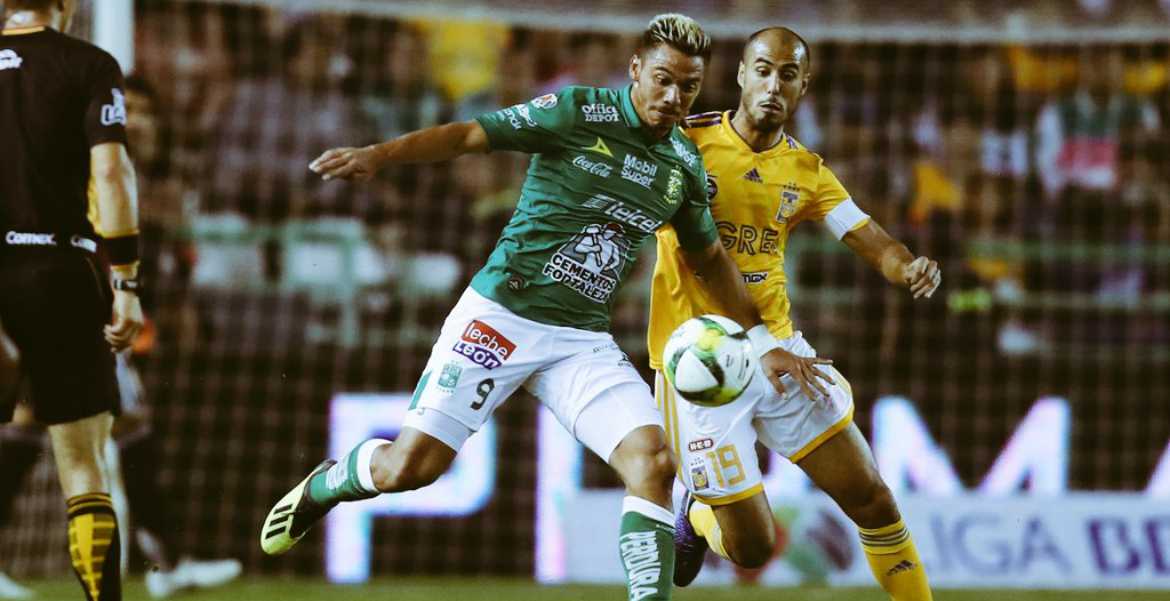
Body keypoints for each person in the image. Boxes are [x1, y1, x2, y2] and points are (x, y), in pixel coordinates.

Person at [260, 14, 829, 601]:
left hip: (580, 340)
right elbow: (469, 135)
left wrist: (763, 341)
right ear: (635, 69)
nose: (673, 97)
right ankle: (330, 481)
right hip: (500, 317)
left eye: (688, 87)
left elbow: (709, 259)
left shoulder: (683, 164)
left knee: (653, 461)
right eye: (662, 80)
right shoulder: (578, 111)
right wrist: (380, 155)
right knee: (408, 470)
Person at [649, 28, 939, 600]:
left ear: (804, 86)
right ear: (741, 75)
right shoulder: (685, 144)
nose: (773, 85)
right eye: (762, 70)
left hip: (782, 354)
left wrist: (906, 266)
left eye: (788, 75)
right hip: (699, 366)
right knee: (755, 549)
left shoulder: (806, 171)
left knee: (873, 499)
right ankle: (697, 516)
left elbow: (867, 236)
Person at [0, 1, 145, 600]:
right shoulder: (88, 64)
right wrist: (126, 282)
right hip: (58, 272)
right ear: (67, 4)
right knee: (83, 465)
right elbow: (111, 175)